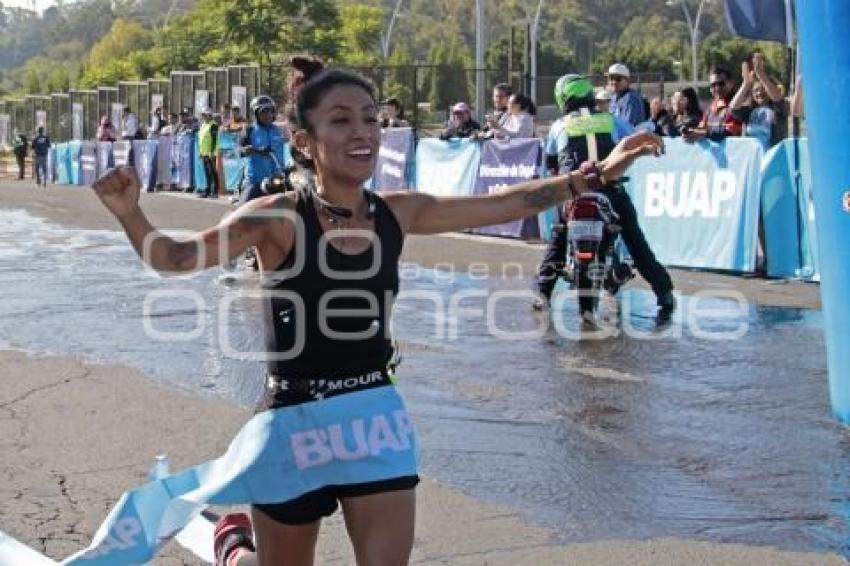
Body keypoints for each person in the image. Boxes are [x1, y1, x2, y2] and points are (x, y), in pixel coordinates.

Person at [90, 68, 664, 566]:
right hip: (293, 426)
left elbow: (510, 202)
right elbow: (176, 257)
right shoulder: (276, 219)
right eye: (340, 120)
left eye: (369, 118)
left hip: (375, 422)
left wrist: (598, 174)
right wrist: (131, 213)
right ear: (305, 141)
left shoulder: (399, 211)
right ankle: (235, 548)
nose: (361, 131)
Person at [536, 74, 675, 323]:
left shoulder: (558, 126)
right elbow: (632, 139)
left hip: (574, 193)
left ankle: (543, 292)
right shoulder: (611, 120)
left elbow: (551, 166)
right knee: (636, 242)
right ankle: (663, 292)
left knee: (558, 238)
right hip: (610, 191)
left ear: (563, 99)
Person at [730, 53, 789, 149]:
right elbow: (733, 108)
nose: (759, 93)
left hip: (773, 157)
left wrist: (761, 74)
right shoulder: (749, 110)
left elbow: (778, 99)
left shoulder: (779, 108)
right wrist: (746, 84)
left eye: (763, 89)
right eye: (756, 90)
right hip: (752, 159)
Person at [237, 94, 286, 204]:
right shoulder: (249, 130)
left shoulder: (278, 130)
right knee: (242, 213)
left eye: (271, 111)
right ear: (256, 114)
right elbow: (240, 150)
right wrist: (251, 150)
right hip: (255, 182)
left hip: (277, 181)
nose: (269, 114)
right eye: (264, 111)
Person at [684, 67, 742, 143]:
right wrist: (691, 132)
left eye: (721, 84)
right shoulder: (710, 108)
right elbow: (701, 128)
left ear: (731, 83)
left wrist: (702, 133)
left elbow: (729, 133)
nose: (717, 88)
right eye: (713, 85)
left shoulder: (738, 105)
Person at [197, 109, 220, 199]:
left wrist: (212, 151)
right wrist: (201, 152)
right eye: (203, 115)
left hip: (211, 153)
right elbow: (201, 139)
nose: (204, 117)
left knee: (213, 172)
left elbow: (214, 140)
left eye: (205, 115)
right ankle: (208, 190)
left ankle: (214, 191)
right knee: (207, 172)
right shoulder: (203, 125)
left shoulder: (213, 125)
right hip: (204, 152)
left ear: (210, 115)